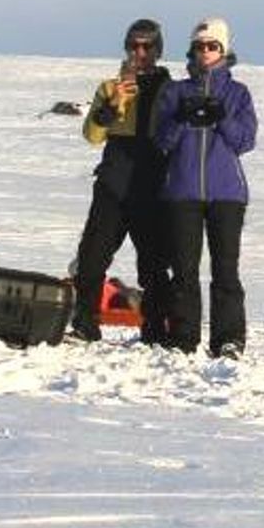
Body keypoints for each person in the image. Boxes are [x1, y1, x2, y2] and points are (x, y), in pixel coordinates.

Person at [152, 17, 258, 358]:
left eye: (212, 46)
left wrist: (221, 116)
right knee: (184, 268)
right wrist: (183, 119)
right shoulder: (175, 91)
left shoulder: (237, 93)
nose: (205, 52)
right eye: (199, 46)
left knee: (225, 268)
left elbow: (245, 141)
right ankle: (183, 337)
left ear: (223, 50)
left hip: (226, 194)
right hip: (182, 192)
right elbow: (161, 141)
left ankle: (228, 339)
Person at [70, 18, 174, 343]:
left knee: (154, 266)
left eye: (146, 46)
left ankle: (155, 330)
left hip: (151, 187)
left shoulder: (170, 89)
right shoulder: (108, 88)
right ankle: (85, 324)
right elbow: (92, 135)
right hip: (113, 185)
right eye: (133, 46)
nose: (139, 53)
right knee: (91, 259)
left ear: (157, 50)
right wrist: (114, 104)